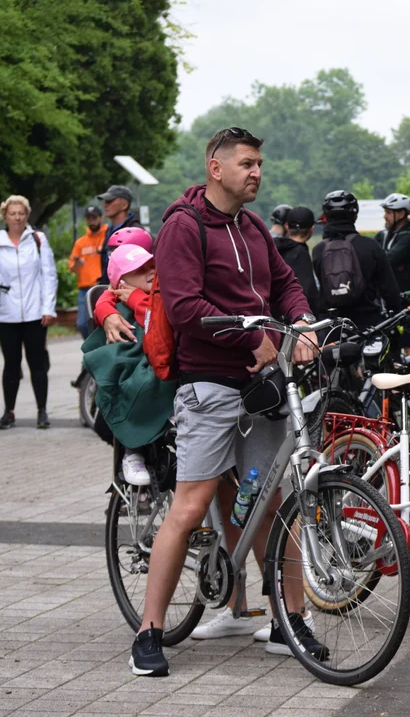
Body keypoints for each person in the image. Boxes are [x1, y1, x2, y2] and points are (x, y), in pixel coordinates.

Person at [128, 126, 322, 678]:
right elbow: (186, 307)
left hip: (259, 386)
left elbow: (283, 283)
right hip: (208, 384)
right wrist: (251, 338)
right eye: (247, 163)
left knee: (268, 503)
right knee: (190, 508)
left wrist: (303, 321)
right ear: (216, 168)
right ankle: (150, 631)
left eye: (260, 163)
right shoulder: (182, 227)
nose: (256, 172)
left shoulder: (252, 225)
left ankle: (291, 623)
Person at [0, 195, 58, 430]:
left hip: (35, 313)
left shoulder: (38, 240)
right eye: (12, 213)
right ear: (5, 216)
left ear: (27, 215)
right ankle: (8, 412)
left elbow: (49, 275)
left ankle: (42, 412)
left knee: (37, 363)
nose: (17, 217)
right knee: (11, 364)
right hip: (6, 313)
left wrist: (48, 308)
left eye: (21, 213)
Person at [104, 244, 158, 484]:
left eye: (152, 265)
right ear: (121, 283)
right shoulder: (117, 302)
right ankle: (132, 452)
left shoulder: (161, 292)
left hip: (164, 366)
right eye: (139, 269)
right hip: (136, 375)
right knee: (138, 387)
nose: (150, 271)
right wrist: (106, 311)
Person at [312, 190, 401, 330]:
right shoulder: (370, 246)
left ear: (326, 217)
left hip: (331, 327)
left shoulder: (318, 250)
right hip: (367, 325)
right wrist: (397, 316)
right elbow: (389, 289)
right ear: (355, 216)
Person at [379, 192, 410, 358]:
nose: (385, 216)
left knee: (409, 343)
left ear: (399, 214)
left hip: (405, 297)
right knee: (390, 345)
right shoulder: (385, 235)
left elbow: (387, 260)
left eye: (388, 212)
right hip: (387, 296)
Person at [69, 206, 108, 338]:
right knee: (82, 323)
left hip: (102, 286)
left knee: (103, 320)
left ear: (101, 218)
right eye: (89, 218)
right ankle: (91, 347)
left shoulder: (107, 237)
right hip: (84, 289)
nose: (92, 221)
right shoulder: (80, 242)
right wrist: (78, 264)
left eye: (94, 218)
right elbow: (72, 268)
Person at [274, 206, 320, 313]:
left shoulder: (274, 248)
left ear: (287, 226)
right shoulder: (301, 253)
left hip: (273, 317)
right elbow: (308, 292)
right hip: (296, 317)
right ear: (312, 229)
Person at [97, 185, 143, 284]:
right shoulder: (109, 230)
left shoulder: (135, 231)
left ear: (124, 205)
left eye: (110, 201)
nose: (105, 205)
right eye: (105, 201)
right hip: (109, 289)